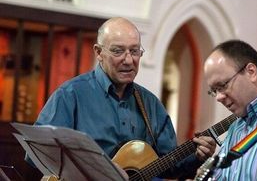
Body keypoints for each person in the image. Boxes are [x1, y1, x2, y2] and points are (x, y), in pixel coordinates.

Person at [34, 17, 216, 179]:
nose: (129, 60)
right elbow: (38, 154)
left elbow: (168, 165)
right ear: (98, 52)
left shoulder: (150, 104)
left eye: (135, 51)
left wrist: (197, 156)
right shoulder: (70, 95)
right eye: (118, 51)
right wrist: (99, 170)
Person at [204, 39, 257, 180]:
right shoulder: (235, 129)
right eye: (214, 91)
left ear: (251, 72)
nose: (218, 97)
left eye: (222, 85)